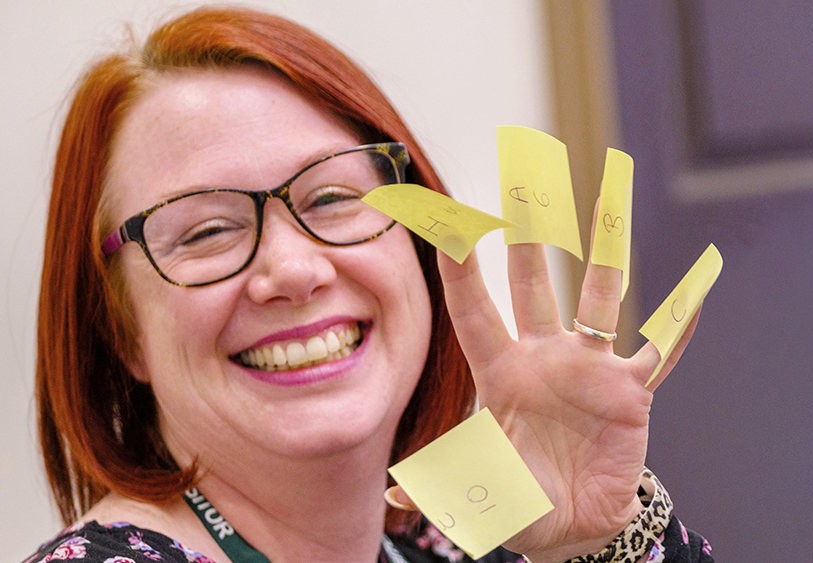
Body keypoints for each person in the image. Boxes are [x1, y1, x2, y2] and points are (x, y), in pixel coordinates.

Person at [25, 6, 713, 563]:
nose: (294, 270)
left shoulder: (465, 545)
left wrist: (596, 543)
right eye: (207, 232)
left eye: (331, 198)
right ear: (122, 333)